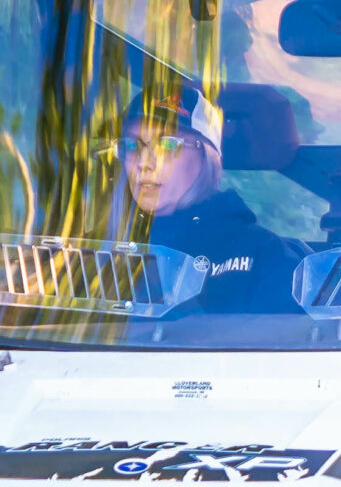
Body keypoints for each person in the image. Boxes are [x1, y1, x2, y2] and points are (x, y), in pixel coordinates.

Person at [120, 82, 305, 314]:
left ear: (207, 159)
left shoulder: (264, 256)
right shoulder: (96, 244)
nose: (144, 163)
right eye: (131, 145)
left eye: (167, 145)